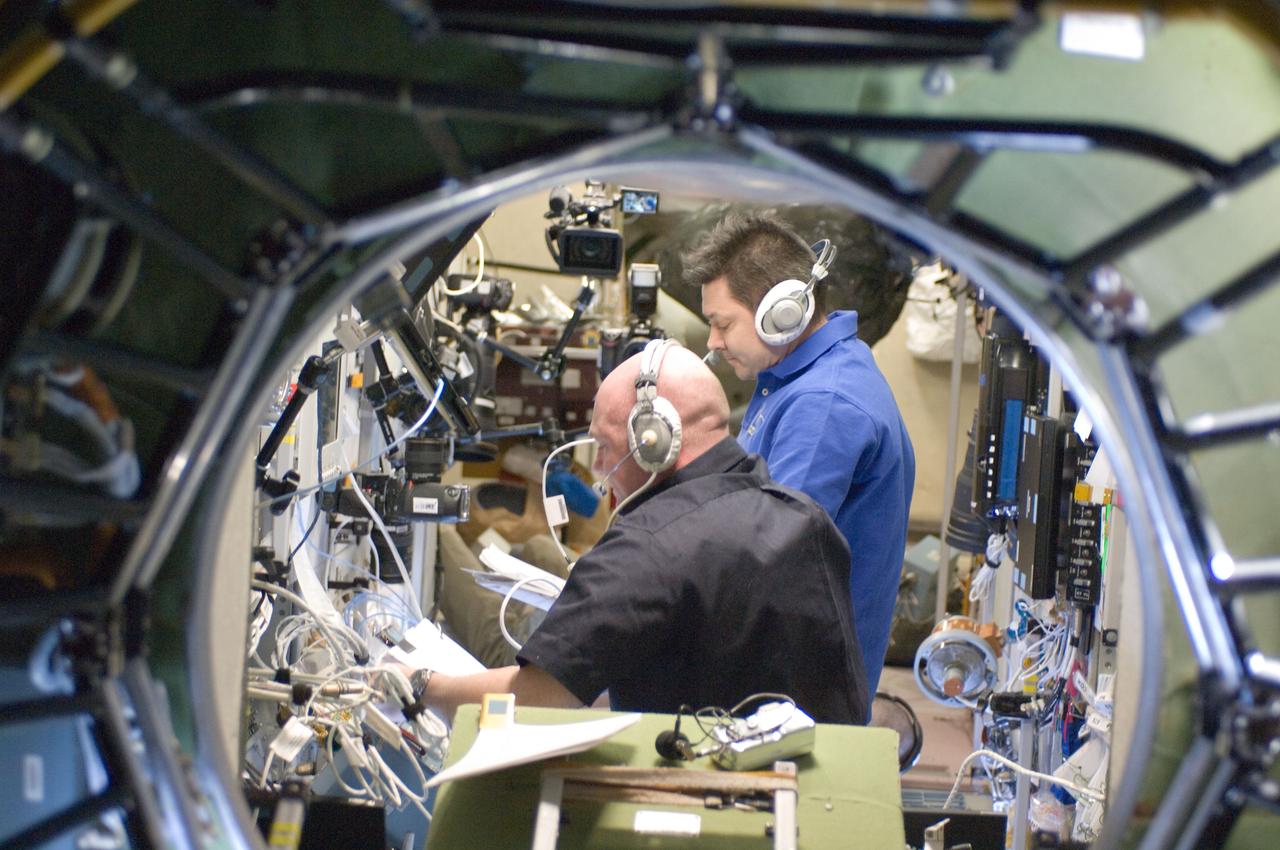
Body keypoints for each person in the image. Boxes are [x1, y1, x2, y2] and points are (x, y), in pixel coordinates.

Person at [403, 342, 868, 725]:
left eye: (604, 447)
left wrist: (422, 685)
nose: (602, 470)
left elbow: (531, 702)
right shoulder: (806, 519)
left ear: (654, 439)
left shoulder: (646, 545)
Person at [685, 212, 915, 697]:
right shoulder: (797, 379)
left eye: (722, 323)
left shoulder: (823, 406)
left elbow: (767, 563)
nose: (713, 342)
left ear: (781, 311)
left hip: (799, 691)